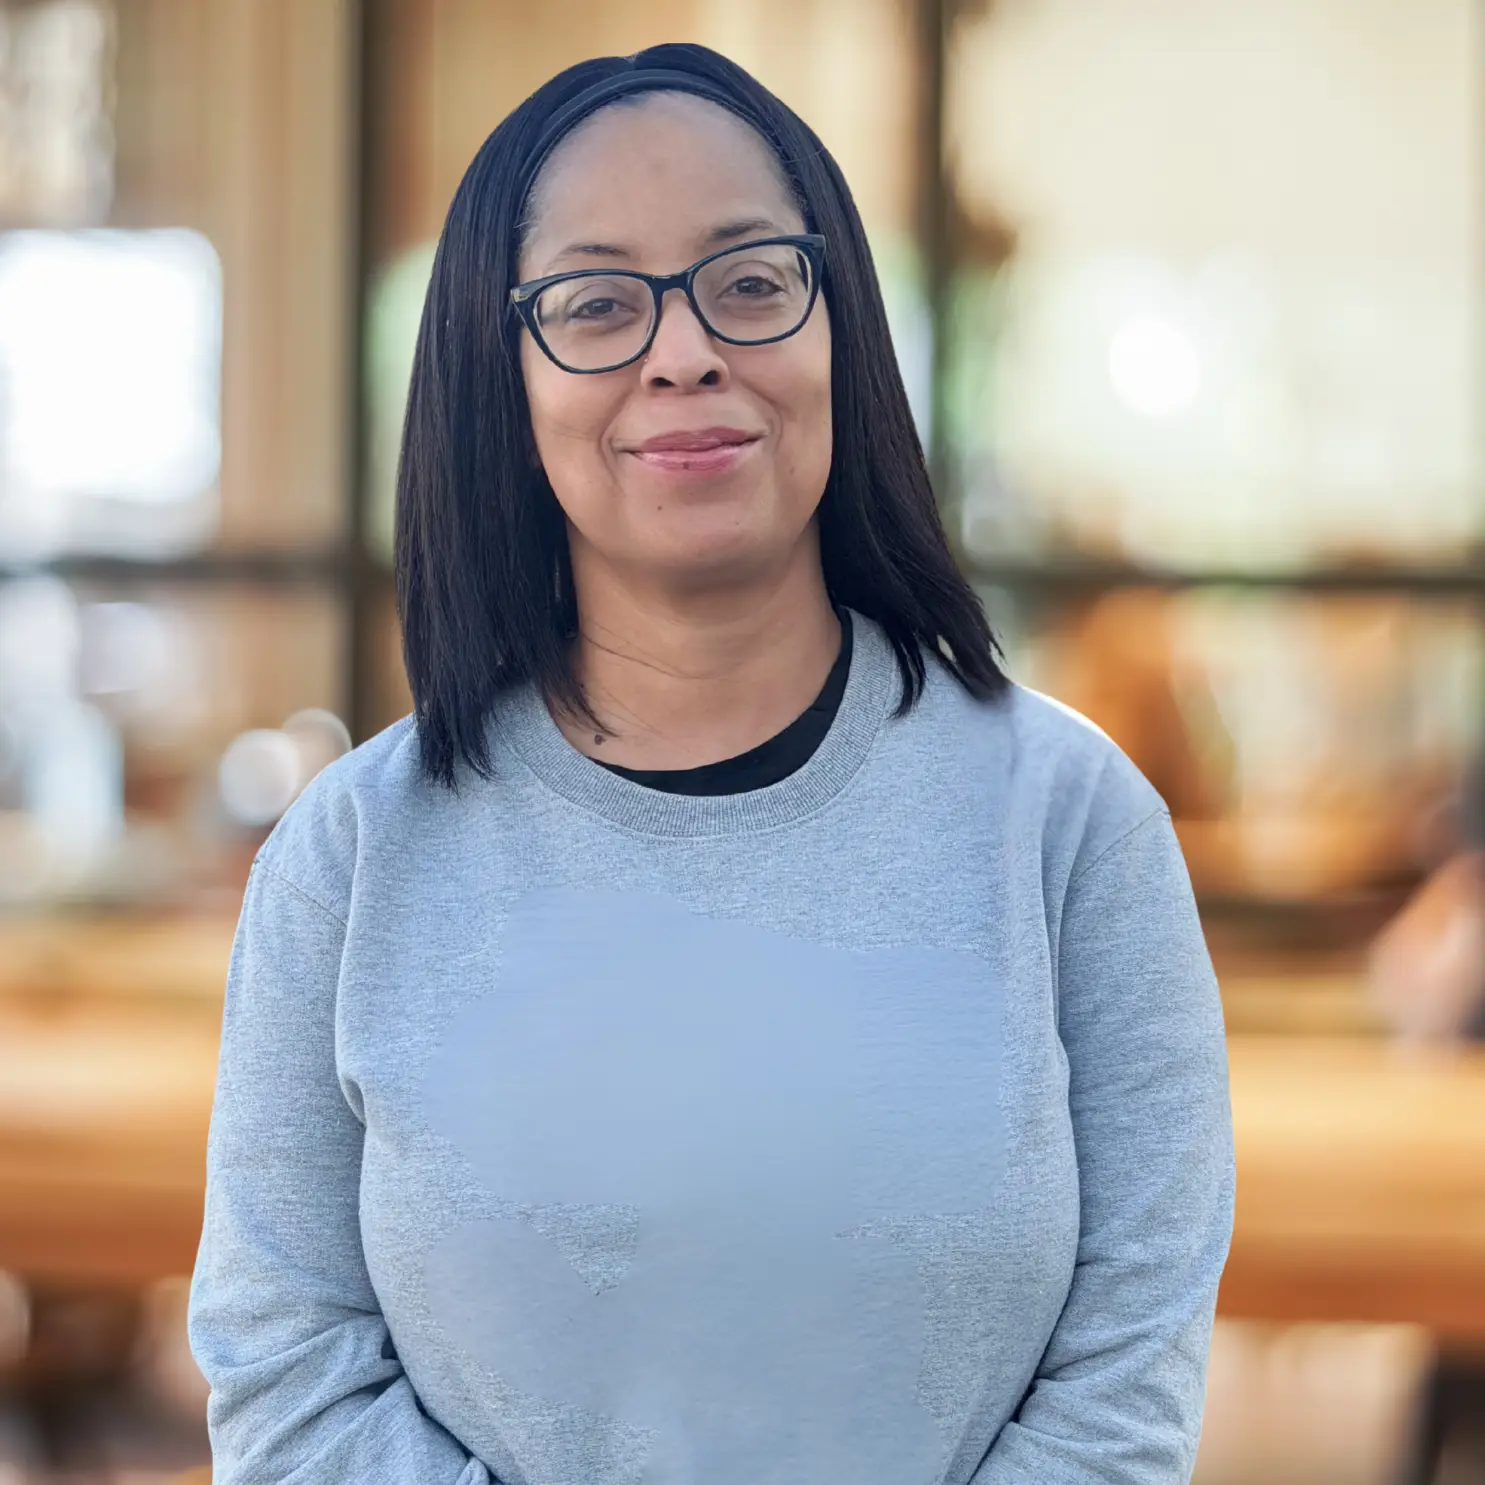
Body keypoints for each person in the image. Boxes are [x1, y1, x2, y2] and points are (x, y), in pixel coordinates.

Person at [188, 43, 1234, 1485]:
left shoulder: (1069, 824)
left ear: (841, 331)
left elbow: (1126, 1379)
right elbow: (288, 1374)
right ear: (504, 378)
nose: (685, 350)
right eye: (596, 303)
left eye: (750, 282)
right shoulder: (354, 854)